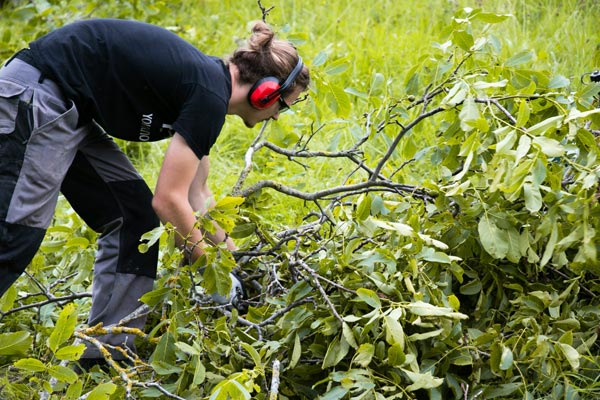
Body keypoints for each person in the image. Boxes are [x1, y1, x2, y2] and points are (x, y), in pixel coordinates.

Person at [0, 18, 309, 367]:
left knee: (134, 221)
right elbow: (168, 200)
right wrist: (213, 277)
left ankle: (105, 358)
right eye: (283, 105)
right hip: (35, 96)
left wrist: (237, 268)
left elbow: (198, 197)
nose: (279, 116)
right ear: (265, 92)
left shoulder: (207, 91)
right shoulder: (208, 94)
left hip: (70, 110)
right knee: (14, 235)